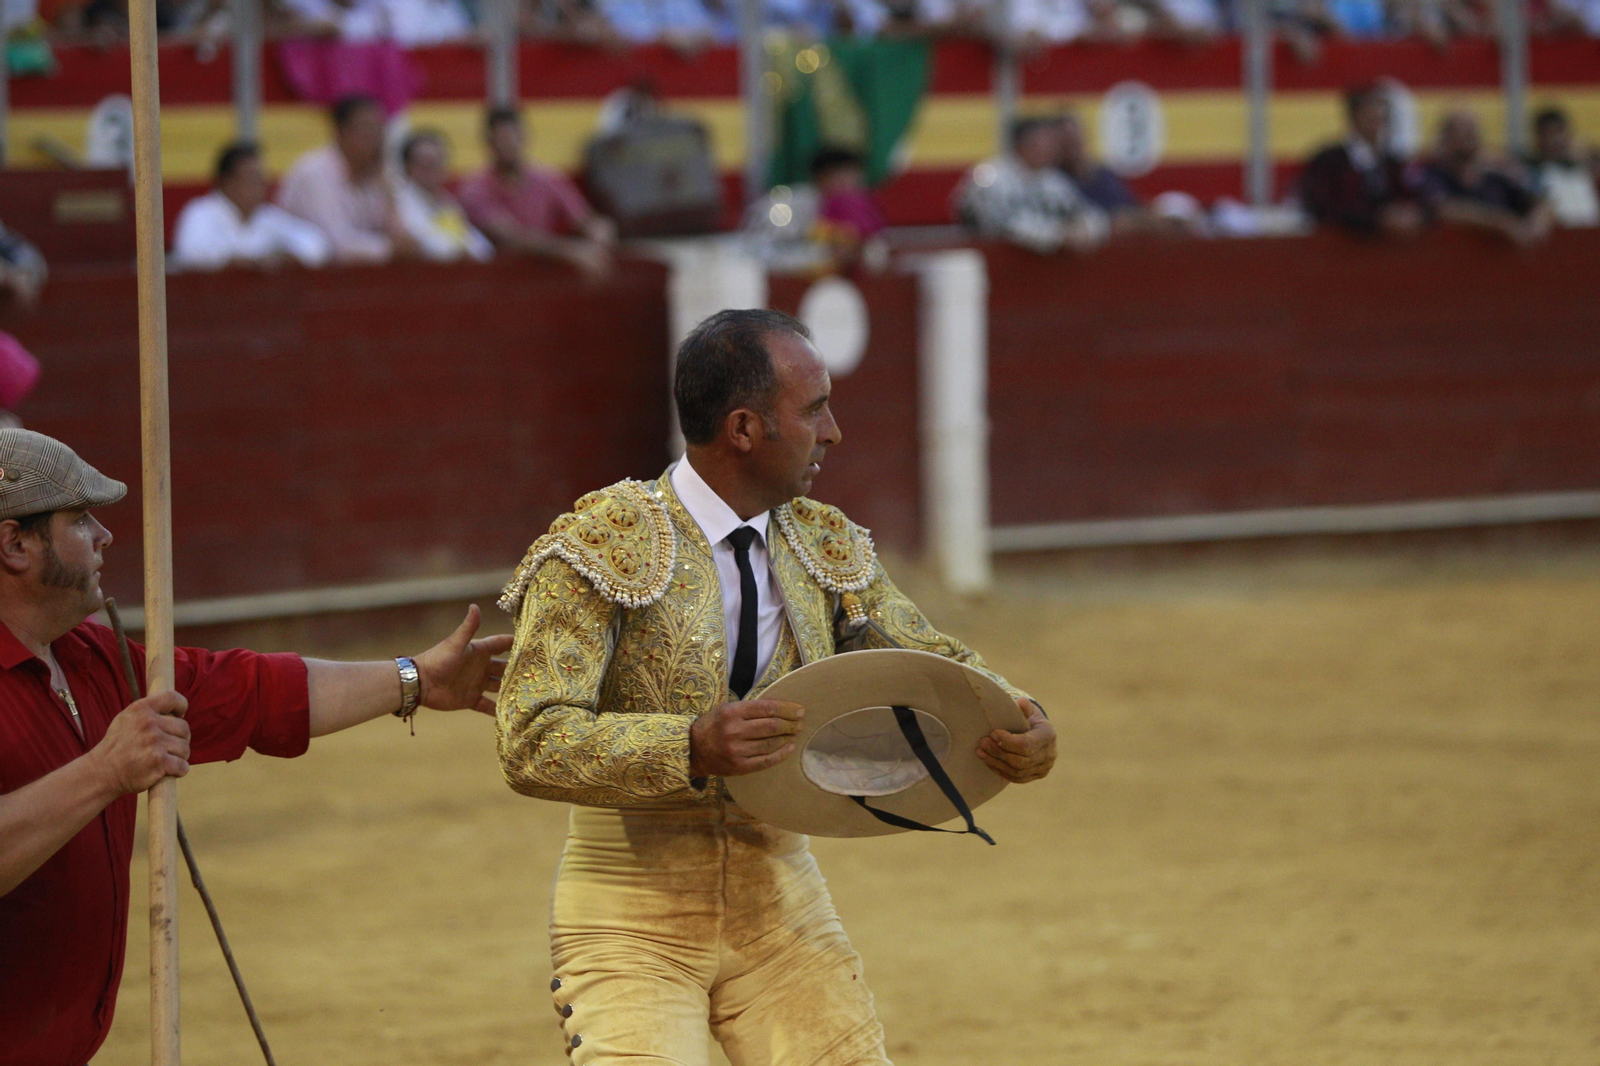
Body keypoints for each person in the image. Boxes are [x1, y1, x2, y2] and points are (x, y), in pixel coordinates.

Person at [494, 308, 1058, 1065]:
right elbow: (530, 737)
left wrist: (1021, 718)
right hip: (629, 910)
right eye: (815, 408)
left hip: (778, 899)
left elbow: (940, 667)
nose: (833, 432)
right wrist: (687, 743)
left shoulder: (822, 543)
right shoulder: (600, 544)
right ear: (743, 429)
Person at [0, 428, 511, 1066]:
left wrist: (412, 679)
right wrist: (103, 771)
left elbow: (249, 693)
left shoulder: (90, 656)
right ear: (15, 544)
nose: (104, 537)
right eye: (80, 521)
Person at [457, 106, 617, 279]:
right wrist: (571, 251)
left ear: (526, 137)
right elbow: (513, 238)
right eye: (503, 138)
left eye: (515, 136)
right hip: (496, 281)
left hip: (543, 278)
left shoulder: (548, 179)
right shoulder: (474, 190)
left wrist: (599, 233)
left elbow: (586, 220)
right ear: (489, 142)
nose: (510, 143)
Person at [276, 94, 417, 265]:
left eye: (379, 130)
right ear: (341, 132)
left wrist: (389, 196)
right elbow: (336, 245)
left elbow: (401, 237)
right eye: (367, 129)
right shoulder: (314, 174)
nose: (376, 139)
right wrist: (390, 249)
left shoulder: (377, 174)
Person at [954, 116, 1110, 254]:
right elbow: (1003, 226)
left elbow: (1090, 214)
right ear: (1022, 145)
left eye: (1052, 143)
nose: (1051, 149)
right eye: (1044, 142)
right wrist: (1059, 236)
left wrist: (1087, 230)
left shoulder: (1053, 180)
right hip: (992, 264)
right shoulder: (990, 176)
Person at [171, 141, 332, 271]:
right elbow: (190, 254)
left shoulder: (267, 216)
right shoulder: (201, 212)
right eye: (251, 178)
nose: (259, 186)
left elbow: (317, 244)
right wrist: (237, 261)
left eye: (261, 178)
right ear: (227, 182)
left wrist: (287, 255)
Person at [1298, 83, 1426, 238]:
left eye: (1380, 112)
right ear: (1354, 115)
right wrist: (1376, 219)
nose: (1377, 116)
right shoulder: (1329, 161)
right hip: (1342, 249)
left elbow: (1417, 195)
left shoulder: (1392, 161)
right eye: (1370, 111)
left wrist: (1412, 213)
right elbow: (1321, 207)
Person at [743, 147, 887, 274]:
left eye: (856, 179)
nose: (852, 185)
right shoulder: (790, 204)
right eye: (845, 177)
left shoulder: (855, 206)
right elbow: (766, 250)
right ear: (823, 176)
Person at [1419, 110, 1552, 246]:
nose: (1469, 135)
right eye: (1462, 129)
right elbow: (1443, 209)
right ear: (1445, 138)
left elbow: (1539, 200)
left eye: (1472, 129)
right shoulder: (1435, 173)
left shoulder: (1498, 174)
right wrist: (1502, 224)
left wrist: (1537, 222)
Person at [394, 130, 495, 262]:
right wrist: (457, 252)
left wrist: (469, 253)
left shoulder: (448, 202)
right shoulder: (400, 201)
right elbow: (421, 242)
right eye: (424, 163)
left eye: (437, 161)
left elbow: (481, 247)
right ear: (408, 167)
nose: (432, 168)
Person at [1523, 107, 1599, 228]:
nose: (1553, 140)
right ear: (1537, 137)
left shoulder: (1584, 166)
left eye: (1558, 132)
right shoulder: (1531, 170)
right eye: (1547, 134)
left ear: (1568, 134)